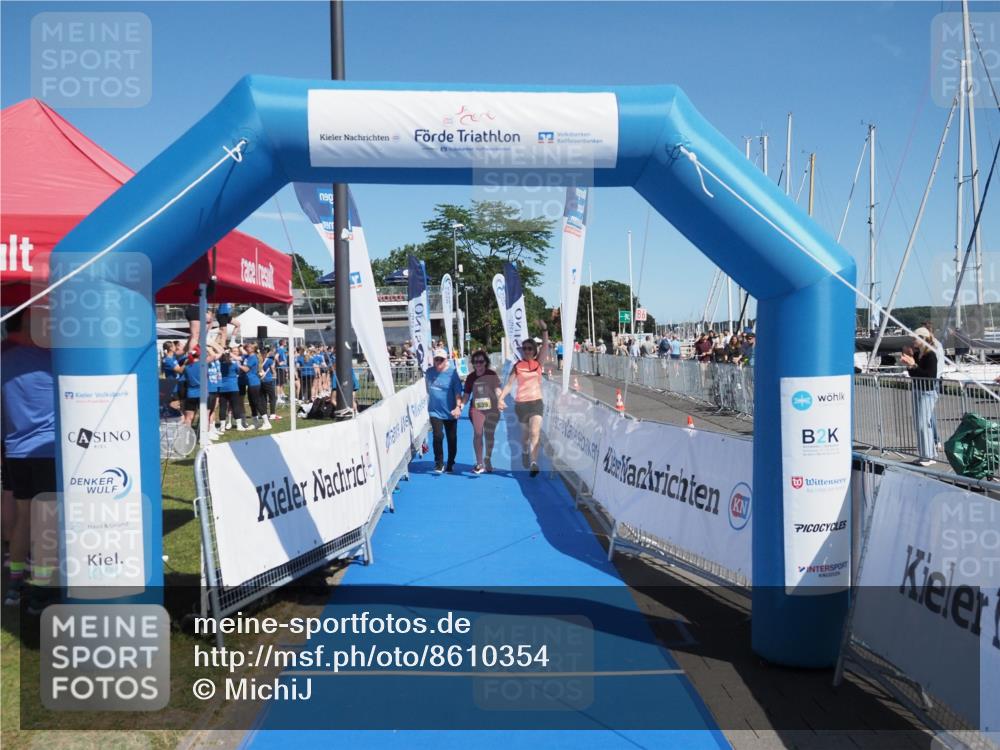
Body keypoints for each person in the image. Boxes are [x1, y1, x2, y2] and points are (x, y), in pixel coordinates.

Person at [1, 309, 57, 608]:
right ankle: (43, 587)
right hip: (47, 451)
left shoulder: (4, 359)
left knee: (25, 518)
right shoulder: (51, 359)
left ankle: (14, 584)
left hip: (16, 450)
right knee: (47, 523)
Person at [499, 320, 549, 477]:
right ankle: (525, 452)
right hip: (521, 404)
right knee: (526, 435)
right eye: (524, 349)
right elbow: (508, 384)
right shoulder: (518, 366)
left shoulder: (538, 364)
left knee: (535, 432)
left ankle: (534, 463)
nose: (526, 351)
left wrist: (545, 330)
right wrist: (501, 398)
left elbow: (546, 346)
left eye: (529, 349)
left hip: (536, 402)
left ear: (534, 351)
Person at [901, 327, 939, 466]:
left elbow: (930, 377)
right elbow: (914, 374)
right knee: (919, 424)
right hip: (917, 390)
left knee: (923, 424)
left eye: (915, 338)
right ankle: (926, 454)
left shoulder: (931, 355)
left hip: (927, 393)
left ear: (923, 339)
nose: (913, 341)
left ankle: (928, 456)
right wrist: (910, 364)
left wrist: (914, 365)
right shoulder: (919, 354)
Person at [425, 349, 464, 473]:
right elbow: (426, 389)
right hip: (434, 411)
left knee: (451, 438)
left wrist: (458, 407)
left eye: (441, 359)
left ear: (446, 360)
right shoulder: (429, 372)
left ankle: (451, 462)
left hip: (450, 411)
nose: (438, 362)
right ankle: (439, 462)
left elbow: (458, 393)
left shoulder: (453, 374)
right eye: (436, 359)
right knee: (437, 435)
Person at [464, 350, 502, 474]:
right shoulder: (470, 377)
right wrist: (459, 405)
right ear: (473, 364)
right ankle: (479, 463)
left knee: (489, 435)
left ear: (485, 362)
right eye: (476, 362)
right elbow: (466, 395)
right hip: (476, 409)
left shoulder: (492, 374)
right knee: (478, 433)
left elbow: (497, 390)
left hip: (492, 409)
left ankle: (488, 459)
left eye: (481, 361)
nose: (478, 364)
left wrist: (501, 400)